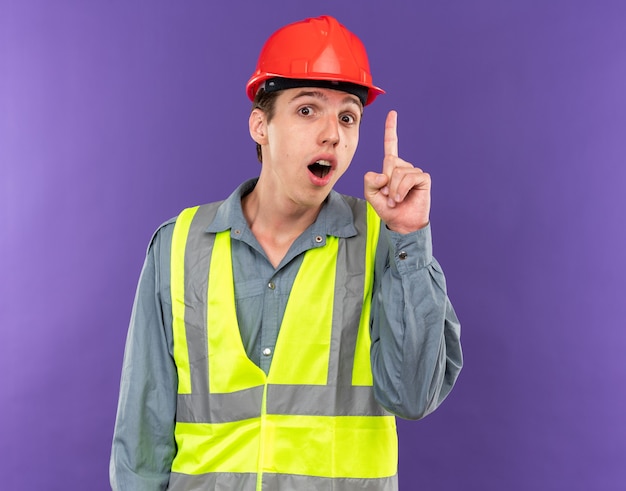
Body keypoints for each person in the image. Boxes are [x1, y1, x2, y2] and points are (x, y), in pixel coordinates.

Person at [110, 15, 462, 491]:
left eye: (347, 116)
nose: (331, 135)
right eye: (306, 110)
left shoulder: (387, 242)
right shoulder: (178, 245)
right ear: (261, 125)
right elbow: (142, 437)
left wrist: (409, 238)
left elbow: (414, 395)